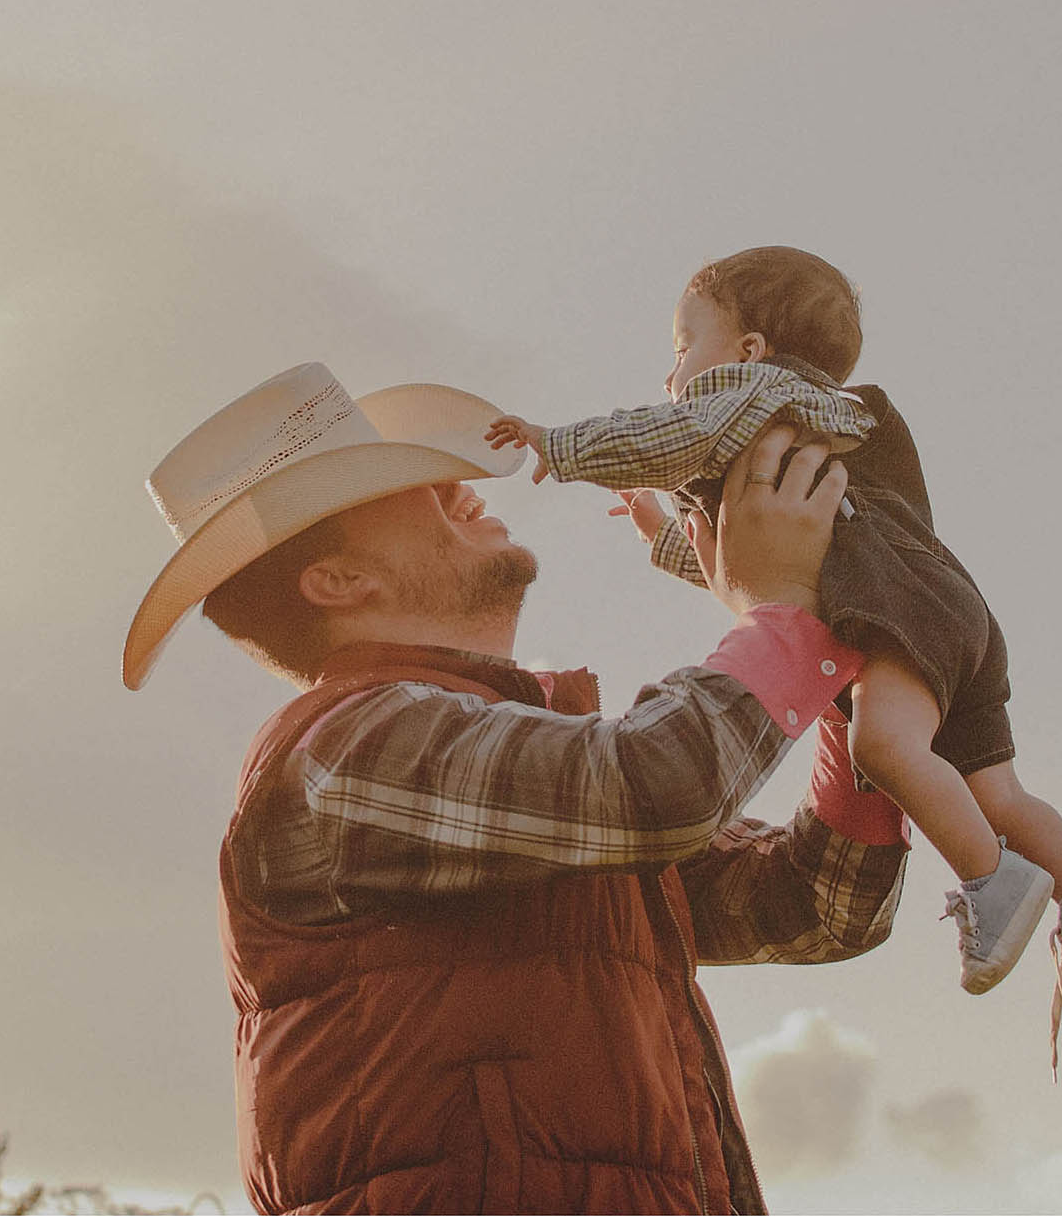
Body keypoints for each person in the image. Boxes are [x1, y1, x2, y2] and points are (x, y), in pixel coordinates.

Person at [124, 361, 908, 1215]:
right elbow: (660, 786)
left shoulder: (527, 768)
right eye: (411, 485)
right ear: (342, 581)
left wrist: (858, 682)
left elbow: (821, 904)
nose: (458, 486)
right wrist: (789, 611)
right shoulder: (339, 749)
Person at [484, 246, 1062, 1013]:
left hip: (892, 617)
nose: (672, 376)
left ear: (749, 349)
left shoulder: (748, 392)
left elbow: (665, 437)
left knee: (882, 746)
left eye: (680, 348)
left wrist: (557, 445)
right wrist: (665, 537)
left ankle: (993, 880)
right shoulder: (837, 422)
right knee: (994, 787)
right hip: (949, 610)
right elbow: (776, 572)